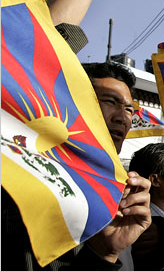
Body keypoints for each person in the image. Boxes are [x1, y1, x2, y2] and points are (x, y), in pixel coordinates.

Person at [2, 61, 151, 270]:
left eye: (129, 109)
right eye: (110, 101)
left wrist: (105, 253)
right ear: (73, 104)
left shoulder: (122, 190)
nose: (122, 118)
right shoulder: (31, 171)